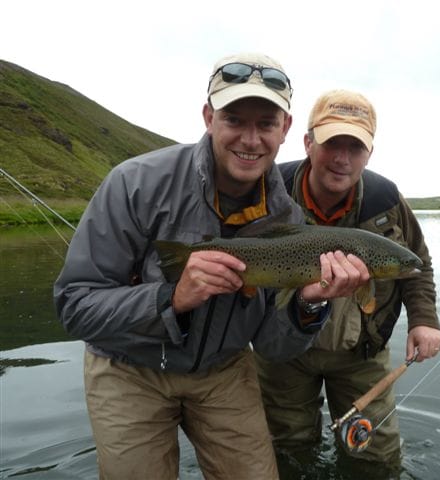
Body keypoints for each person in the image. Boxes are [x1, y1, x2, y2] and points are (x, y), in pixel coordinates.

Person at [53, 55, 370, 480]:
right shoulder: (136, 184)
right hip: (128, 366)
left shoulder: (289, 223)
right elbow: (74, 306)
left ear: (286, 130)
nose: (251, 138)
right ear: (209, 117)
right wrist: (171, 299)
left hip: (224, 368)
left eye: (266, 124)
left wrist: (309, 307)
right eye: (235, 119)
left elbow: (274, 349)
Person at [256, 89, 440, 467]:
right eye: (332, 144)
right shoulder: (268, 190)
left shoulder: (385, 200)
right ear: (308, 143)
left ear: (369, 152)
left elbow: (418, 265)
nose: (342, 159)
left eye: (355, 147)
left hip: (362, 353)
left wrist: (424, 321)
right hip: (283, 351)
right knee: (288, 450)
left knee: (376, 458)